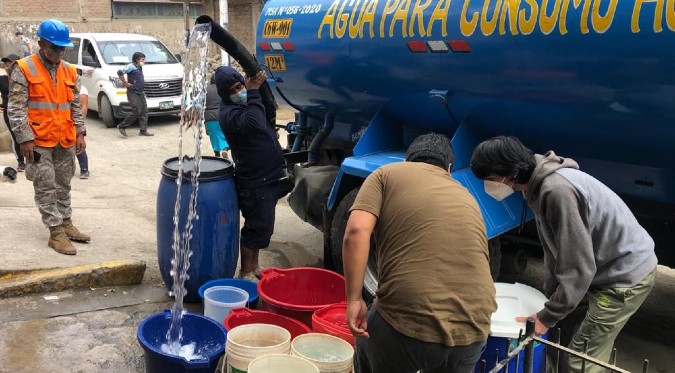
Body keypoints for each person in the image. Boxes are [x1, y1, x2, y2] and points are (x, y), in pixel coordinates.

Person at [470, 136, 658, 373]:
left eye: (490, 179)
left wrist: (545, 317)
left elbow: (579, 269)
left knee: (581, 360)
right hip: (602, 267)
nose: (489, 186)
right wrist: (550, 302)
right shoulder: (535, 186)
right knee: (561, 337)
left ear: (513, 173)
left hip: (623, 277)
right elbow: (555, 251)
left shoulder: (557, 191)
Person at [343, 133, 497, 373]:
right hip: (473, 331)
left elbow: (355, 231)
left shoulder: (386, 174)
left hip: (404, 326)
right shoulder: (466, 195)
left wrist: (353, 299)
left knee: (366, 343)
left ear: (409, 160)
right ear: (448, 168)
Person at [7, 19, 91, 255]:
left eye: (62, 48)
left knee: (64, 184)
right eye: (54, 47)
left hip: (64, 137)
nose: (58, 52)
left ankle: (65, 222)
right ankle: (55, 233)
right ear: (41, 43)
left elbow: (75, 105)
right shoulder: (24, 68)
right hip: (37, 140)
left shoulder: (70, 70)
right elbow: (15, 108)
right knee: (45, 186)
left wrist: (80, 132)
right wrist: (24, 139)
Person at [215, 66, 284, 281]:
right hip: (254, 182)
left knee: (263, 226)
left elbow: (262, 121)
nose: (240, 90)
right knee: (255, 228)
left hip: (266, 178)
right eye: (234, 89)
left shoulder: (246, 106)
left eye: (241, 85)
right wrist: (253, 91)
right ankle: (245, 272)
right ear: (225, 94)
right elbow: (254, 123)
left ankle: (254, 267)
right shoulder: (228, 114)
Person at [116, 52, 153, 137]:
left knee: (144, 111)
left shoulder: (139, 67)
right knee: (137, 111)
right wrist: (125, 83)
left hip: (140, 92)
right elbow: (119, 72)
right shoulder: (131, 66)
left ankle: (143, 130)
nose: (144, 61)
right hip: (132, 92)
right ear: (137, 59)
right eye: (142, 59)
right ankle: (122, 126)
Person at [1, 54, 25, 171]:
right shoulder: (2, 80)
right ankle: (21, 162)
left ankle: (34, 158)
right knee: (15, 136)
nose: (7, 66)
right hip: (8, 113)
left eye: (10, 64)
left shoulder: (25, 79)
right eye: (6, 64)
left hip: (25, 111)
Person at [204, 73, 229, 158]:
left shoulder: (205, 89)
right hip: (222, 116)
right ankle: (225, 149)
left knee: (214, 137)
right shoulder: (223, 88)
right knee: (226, 135)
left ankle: (217, 156)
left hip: (209, 119)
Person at [76, 81, 90, 179]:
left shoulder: (81, 89)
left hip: (75, 122)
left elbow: (83, 107)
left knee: (78, 144)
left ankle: (84, 169)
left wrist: (80, 124)